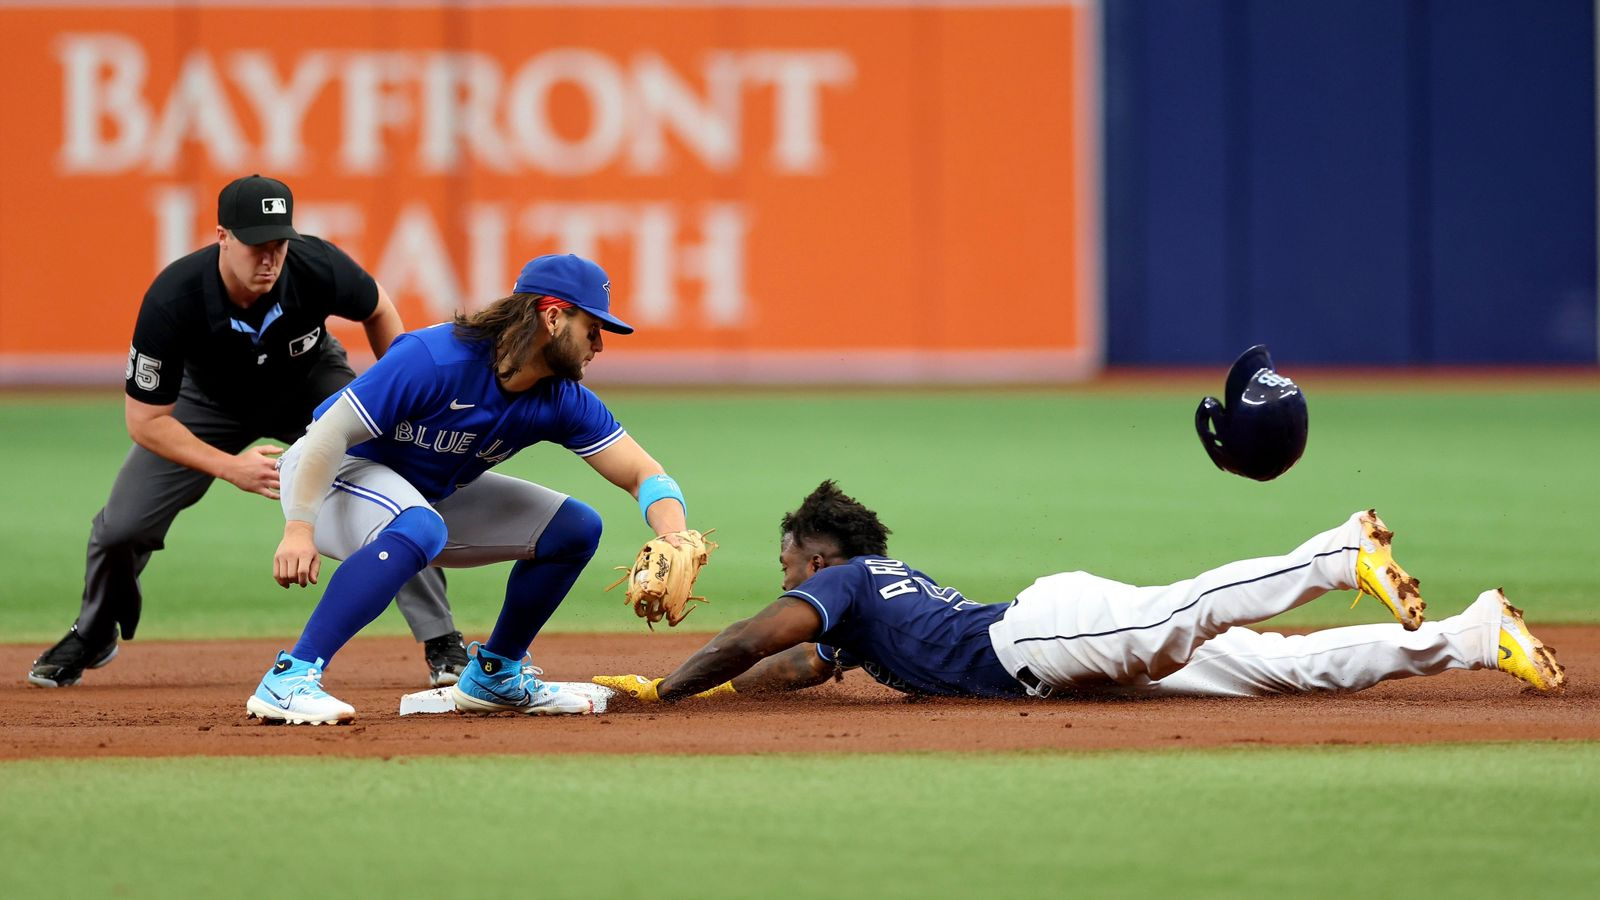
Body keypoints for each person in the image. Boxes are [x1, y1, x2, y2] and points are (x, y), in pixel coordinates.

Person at [28, 175, 466, 690]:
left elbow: (378, 308)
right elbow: (144, 422)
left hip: (310, 385)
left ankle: (441, 639)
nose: (269, 258)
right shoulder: (175, 298)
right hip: (209, 404)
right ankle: (95, 629)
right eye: (256, 245)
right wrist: (229, 467)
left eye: (278, 244)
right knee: (121, 527)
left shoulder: (315, 265)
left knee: (390, 485)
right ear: (223, 237)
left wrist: (392, 393)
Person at [594, 481, 1566, 705]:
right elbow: (795, 666)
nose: (784, 572)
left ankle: (1335, 552)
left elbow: (756, 641)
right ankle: (1475, 636)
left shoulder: (843, 581)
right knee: (1285, 670)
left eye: (789, 555)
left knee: (1184, 611)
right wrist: (717, 688)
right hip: (1056, 646)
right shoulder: (874, 604)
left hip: (1043, 639)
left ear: (823, 553)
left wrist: (668, 688)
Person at [246, 252, 699, 724]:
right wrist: (300, 527)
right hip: (332, 473)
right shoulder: (436, 358)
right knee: (420, 526)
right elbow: (328, 433)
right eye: (593, 328)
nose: (600, 345)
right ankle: (289, 677)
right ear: (552, 317)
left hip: (423, 494)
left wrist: (674, 535)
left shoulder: (560, 399)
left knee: (574, 528)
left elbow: (643, 474)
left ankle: (495, 675)